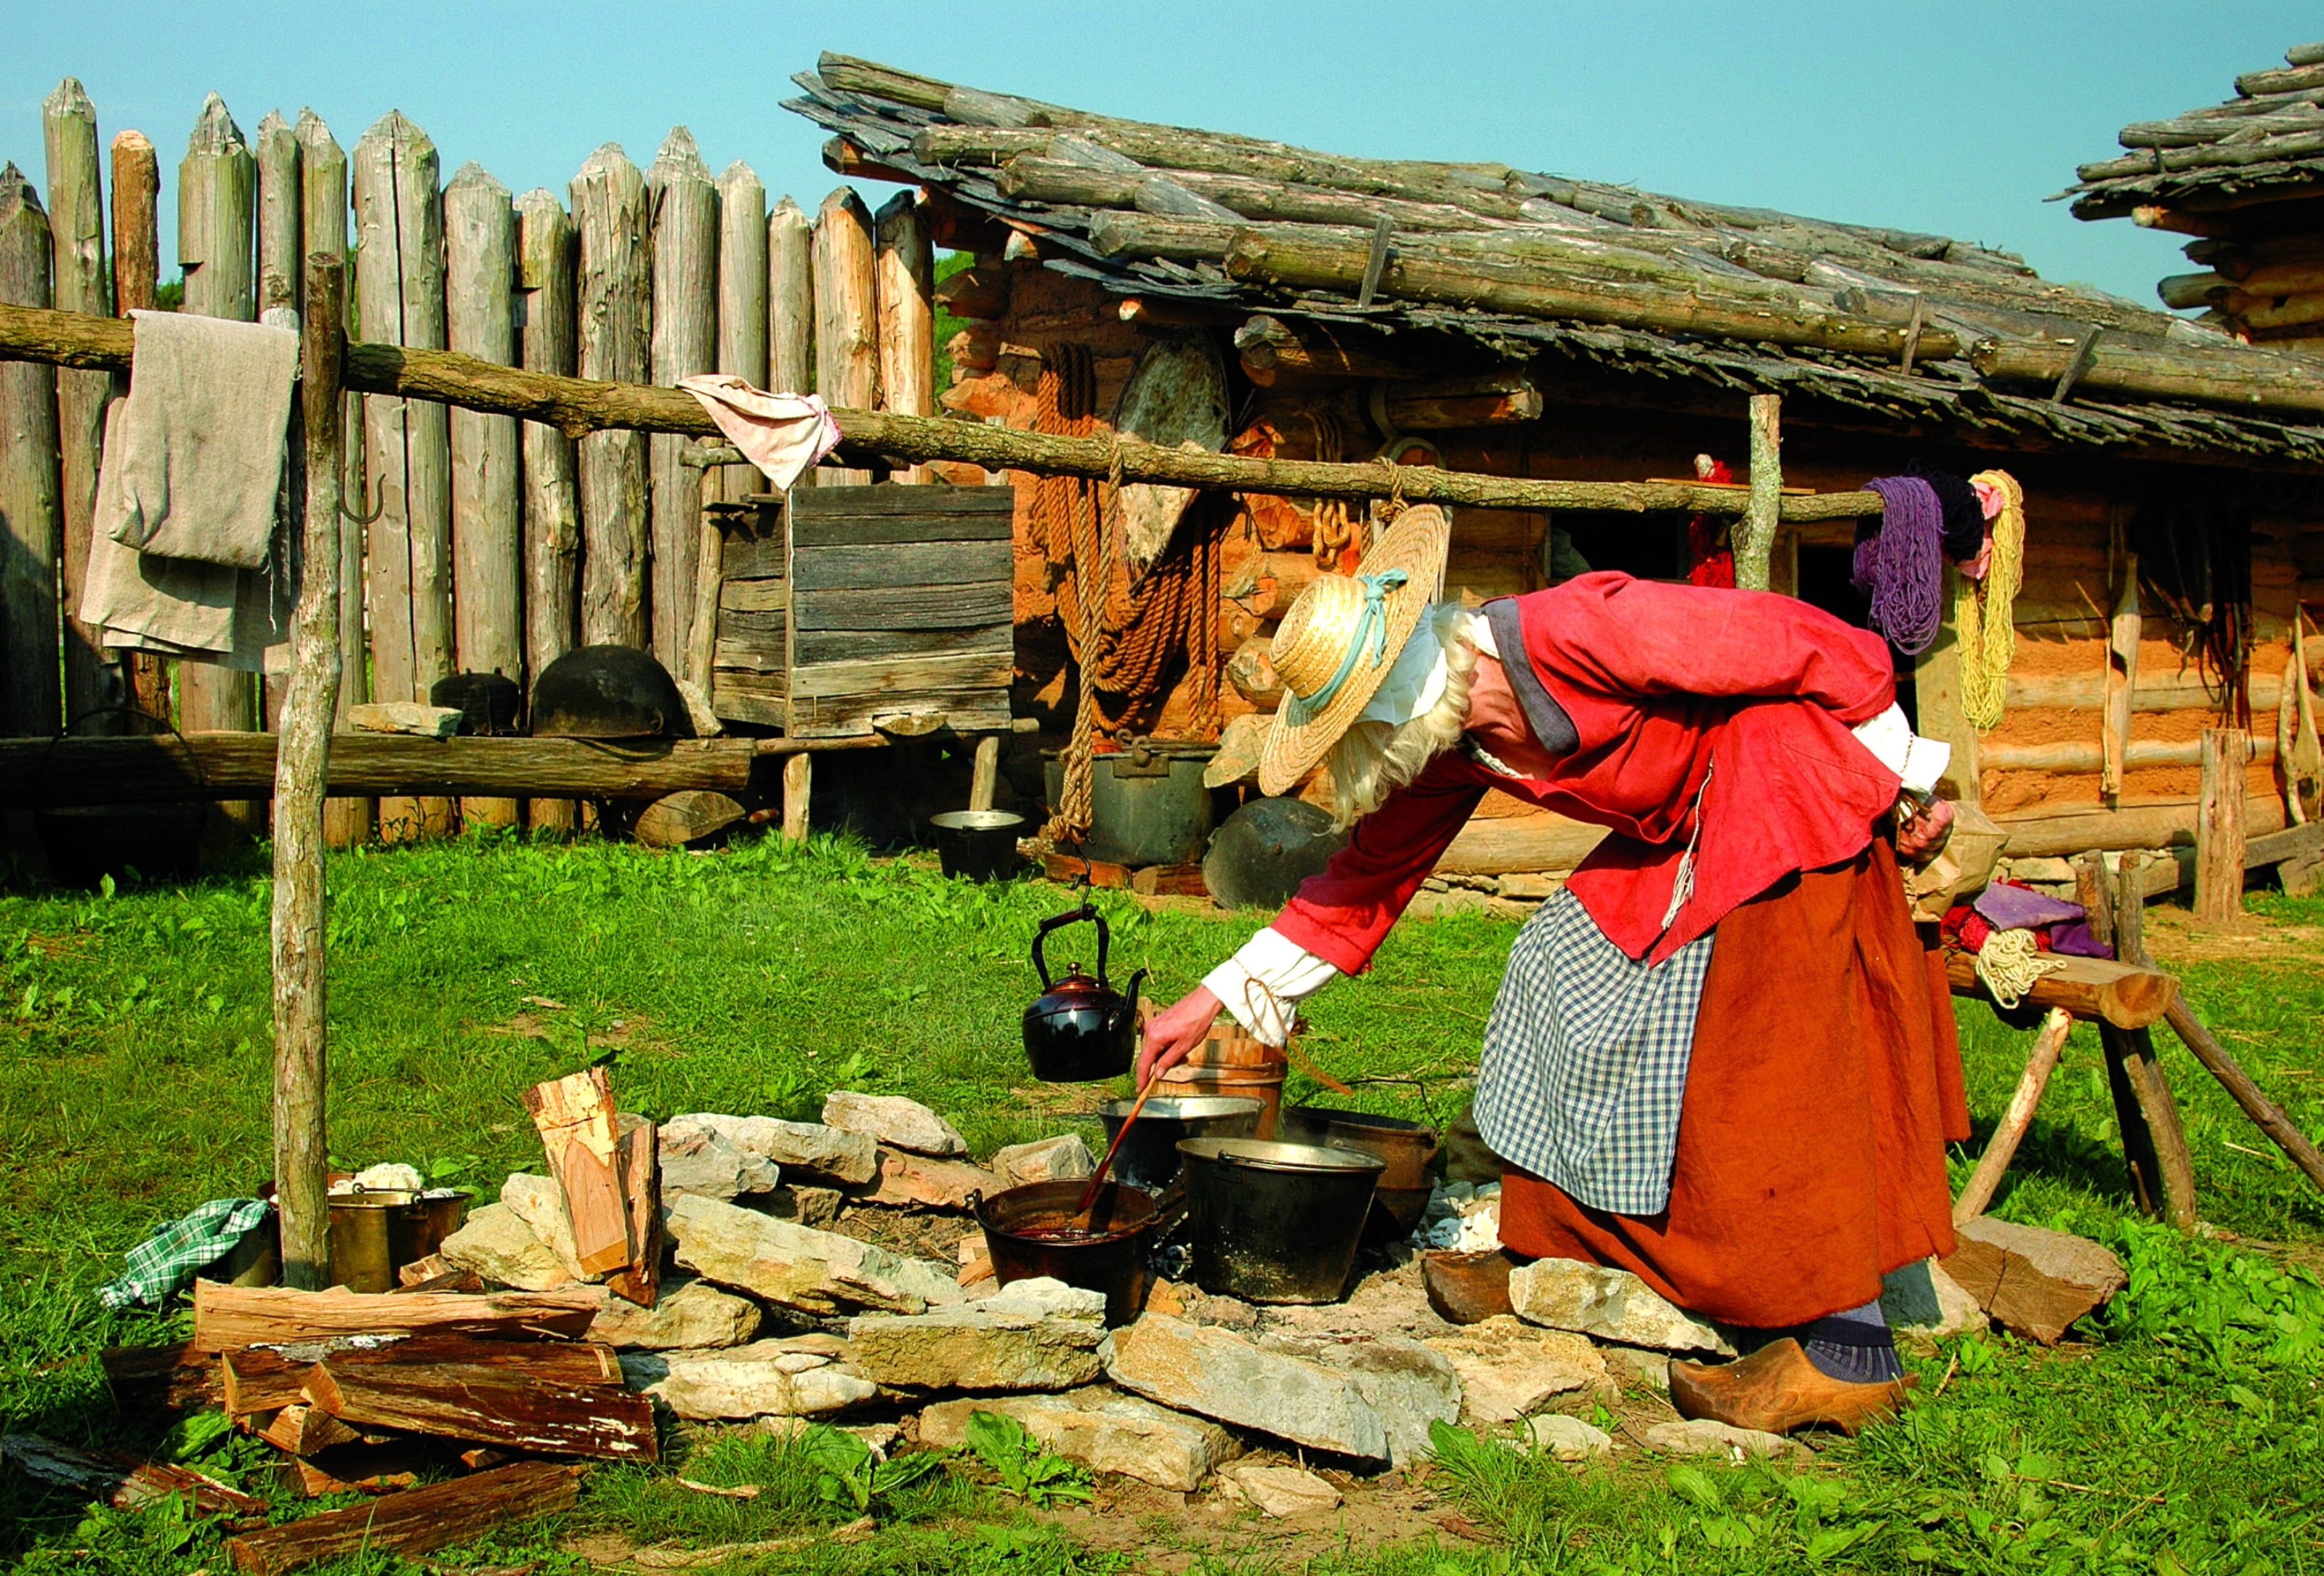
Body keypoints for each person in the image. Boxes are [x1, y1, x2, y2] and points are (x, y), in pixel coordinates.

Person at [1139, 505, 1968, 1436]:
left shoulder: (1578, 627)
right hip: (1690, 831)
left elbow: (1821, 645)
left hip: (1785, 795)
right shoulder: (1457, 742)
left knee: (1757, 1038)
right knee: (1554, 959)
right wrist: (1213, 998)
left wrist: (1903, 779)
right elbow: (1361, 882)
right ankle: (1566, 1245)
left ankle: (1849, 1349)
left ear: (1397, 693)